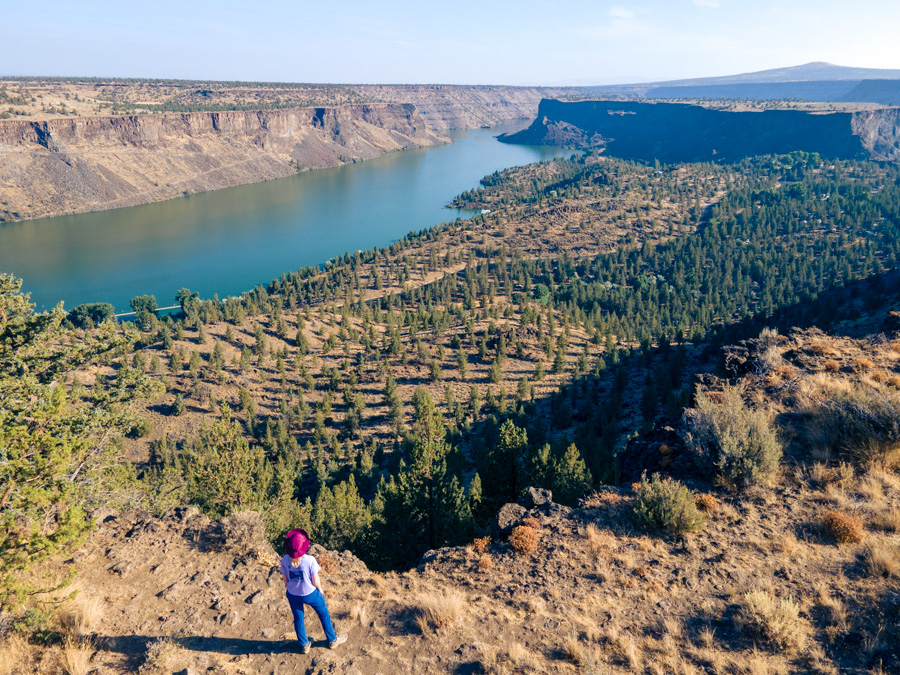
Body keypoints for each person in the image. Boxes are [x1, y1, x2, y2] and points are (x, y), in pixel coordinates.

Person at [280, 528, 348, 653]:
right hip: (310, 593)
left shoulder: (284, 560)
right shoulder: (310, 560)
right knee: (323, 614)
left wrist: (289, 588)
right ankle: (332, 640)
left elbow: (285, 579)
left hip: (292, 594)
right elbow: (315, 580)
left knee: (298, 618)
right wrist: (320, 590)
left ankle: (304, 644)